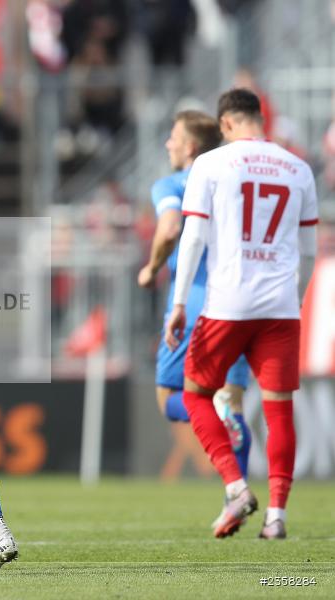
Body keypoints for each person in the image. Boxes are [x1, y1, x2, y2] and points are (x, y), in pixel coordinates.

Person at [165, 88, 318, 540]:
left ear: (225, 124)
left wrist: (177, 303)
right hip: (280, 306)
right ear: (259, 119)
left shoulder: (210, 164)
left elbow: (192, 239)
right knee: (279, 411)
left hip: (228, 303)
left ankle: (235, 486)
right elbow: (308, 251)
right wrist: (295, 296)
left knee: (195, 394)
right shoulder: (298, 168)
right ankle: (277, 517)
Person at [137, 111, 253, 500]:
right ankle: (236, 496)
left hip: (192, 302)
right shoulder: (234, 181)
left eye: (173, 137)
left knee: (170, 399)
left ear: (190, 147)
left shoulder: (173, 183)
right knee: (232, 403)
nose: (168, 144)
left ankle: (234, 486)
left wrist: (151, 267)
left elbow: (170, 228)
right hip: (238, 300)